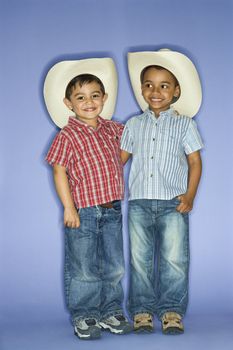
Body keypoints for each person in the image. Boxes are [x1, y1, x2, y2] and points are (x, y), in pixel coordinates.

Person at [44, 58, 131, 340]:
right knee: (83, 266)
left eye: (95, 96)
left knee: (114, 264)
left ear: (104, 99)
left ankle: (110, 311)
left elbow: (132, 142)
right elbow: (59, 171)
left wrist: (120, 161)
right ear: (69, 103)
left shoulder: (113, 129)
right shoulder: (67, 135)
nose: (89, 102)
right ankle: (85, 315)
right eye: (81, 97)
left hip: (113, 209)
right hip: (84, 211)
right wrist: (69, 208)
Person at [120, 49, 203, 334]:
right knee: (140, 260)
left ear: (176, 90)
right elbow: (119, 160)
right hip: (140, 203)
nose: (156, 91)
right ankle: (142, 311)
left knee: (174, 259)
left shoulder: (185, 124)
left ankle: (171, 311)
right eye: (149, 85)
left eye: (164, 85)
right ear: (142, 89)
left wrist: (190, 195)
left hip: (173, 203)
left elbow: (194, 161)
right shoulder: (132, 124)